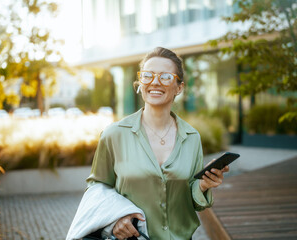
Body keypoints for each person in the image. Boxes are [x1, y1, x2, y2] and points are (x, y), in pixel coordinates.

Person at [86, 47, 229, 240]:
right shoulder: (114, 135)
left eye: (165, 77)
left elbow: (191, 198)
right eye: (148, 75)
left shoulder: (191, 137)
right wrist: (116, 219)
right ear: (140, 83)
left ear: (179, 87)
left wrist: (203, 185)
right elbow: (97, 188)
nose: (155, 82)